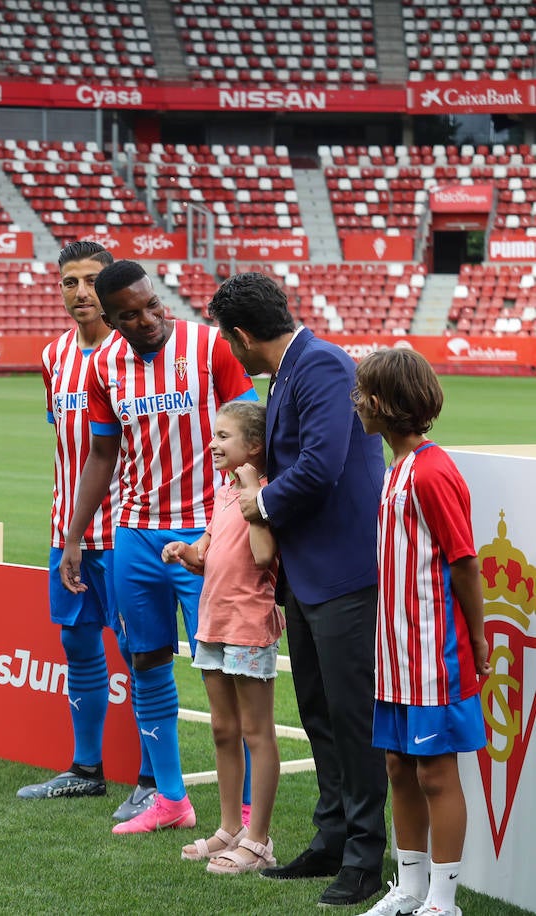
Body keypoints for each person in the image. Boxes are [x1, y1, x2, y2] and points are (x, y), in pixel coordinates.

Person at [206, 272, 387, 907]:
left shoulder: (322, 366)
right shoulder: (292, 370)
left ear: (241, 336)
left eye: (229, 342)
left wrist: (258, 505)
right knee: (318, 711)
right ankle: (331, 840)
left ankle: (366, 857)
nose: (231, 352)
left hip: (344, 571)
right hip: (310, 573)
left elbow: (320, 465)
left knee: (351, 716)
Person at [58, 259, 256, 835]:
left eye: (153, 305)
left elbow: (253, 436)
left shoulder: (209, 349)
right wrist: (76, 536)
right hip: (135, 536)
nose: (148, 319)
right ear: (113, 321)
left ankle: (243, 810)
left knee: (225, 669)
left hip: (207, 534)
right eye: (132, 315)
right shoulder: (104, 368)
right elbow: (101, 456)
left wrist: (231, 522)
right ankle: (170, 800)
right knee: (145, 661)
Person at [15, 240, 158, 821]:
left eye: (91, 281)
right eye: (69, 282)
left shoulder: (138, 352)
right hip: (68, 530)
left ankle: (154, 776)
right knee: (78, 646)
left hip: (128, 529)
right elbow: (71, 442)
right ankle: (86, 769)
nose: (81, 293)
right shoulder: (53, 357)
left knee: (140, 652)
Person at [346, 348, 490, 916]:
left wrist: (476, 640)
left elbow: (464, 561)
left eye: (362, 394)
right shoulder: (394, 469)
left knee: (435, 772)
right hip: (396, 652)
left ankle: (443, 900)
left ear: (381, 403)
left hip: (436, 652)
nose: (356, 402)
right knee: (398, 768)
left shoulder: (431, 471)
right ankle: (408, 889)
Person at [163, 401, 281, 874]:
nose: (213, 443)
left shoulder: (266, 492)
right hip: (212, 623)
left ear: (254, 446)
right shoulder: (226, 491)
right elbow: (207, 553)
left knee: (257, 732)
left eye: (223, 436)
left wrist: (254, 492)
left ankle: (259, 840)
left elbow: (261, 555)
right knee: (223, 729)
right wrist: (185, 552)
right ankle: (230, 828)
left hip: (249, 626)